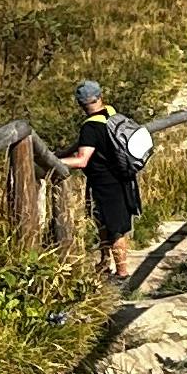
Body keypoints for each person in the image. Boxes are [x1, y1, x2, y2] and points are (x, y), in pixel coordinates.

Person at [55, 77, 145, 279]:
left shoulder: (90, 127)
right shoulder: (112, 114)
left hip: (105, 185)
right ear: (100, 97)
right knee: (106, 224)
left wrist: (57, 163)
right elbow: (85, 146)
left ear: (80, 104)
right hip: (123, 179)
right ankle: (104, 264)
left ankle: (122, 274)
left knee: (114, 230)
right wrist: (62, 154)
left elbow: (82, 159)